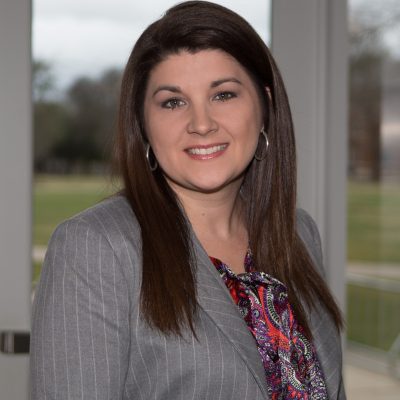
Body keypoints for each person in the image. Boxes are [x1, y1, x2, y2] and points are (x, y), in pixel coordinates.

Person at [30, 1, 346, 399]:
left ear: (264, 104)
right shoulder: (95, 249)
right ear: (142, 123)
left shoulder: (298, 232)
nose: (201, 124)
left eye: (224, 94)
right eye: (173, 102)